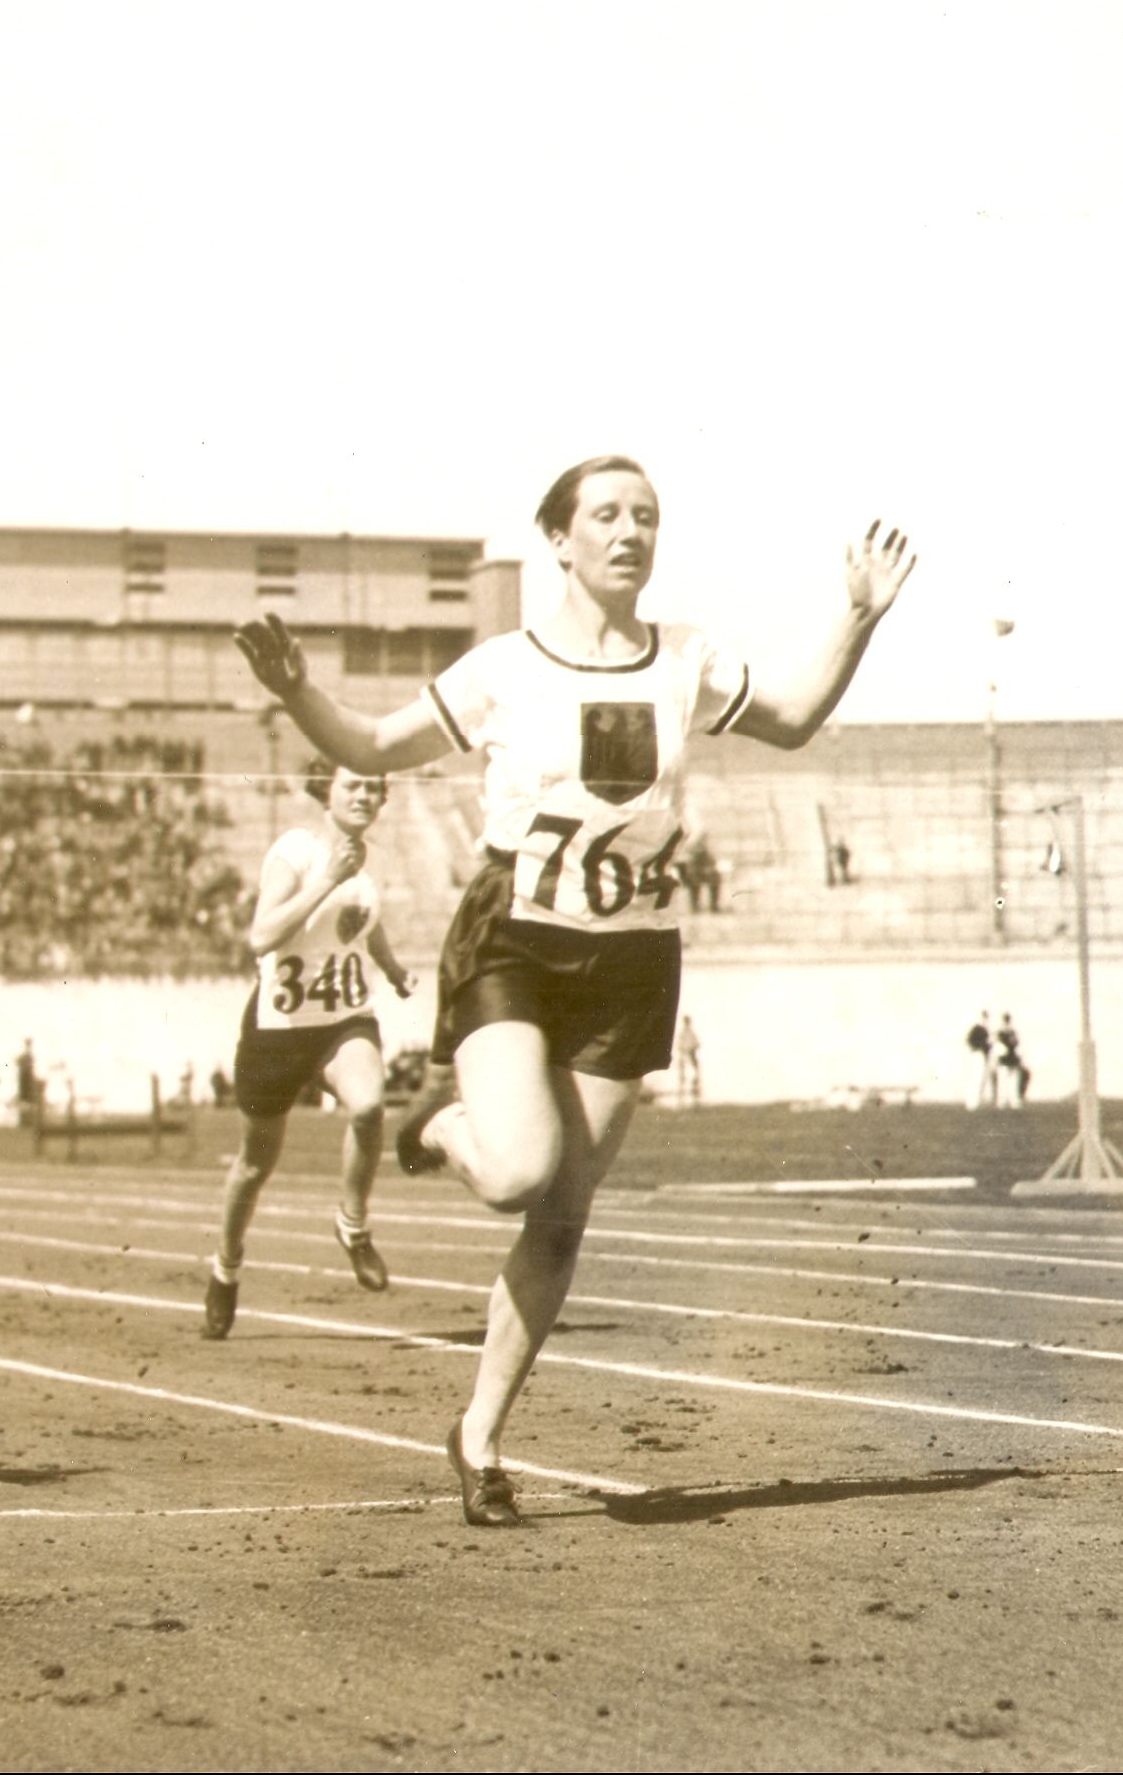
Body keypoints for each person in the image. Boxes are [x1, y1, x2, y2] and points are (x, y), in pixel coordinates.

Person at [234, 454, 912, 1525]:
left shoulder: (684, 659)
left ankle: (478, 1438)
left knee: (559, 1219)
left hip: (631, 958)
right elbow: (371, 743)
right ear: (559, 538)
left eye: (647, 516)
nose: (630, 532)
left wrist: (858, 617)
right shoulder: (503, 667)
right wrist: (297, 692)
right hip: (515, 943)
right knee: (517, 1172)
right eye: (606, 515)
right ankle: (441, 1126)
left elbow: (791, 720)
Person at [201, 761, 417, 1338]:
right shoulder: (295, 851)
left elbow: (364, 922)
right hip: (279, 1028)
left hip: (342, 1020)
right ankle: (225, 1267)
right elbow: (262, 935)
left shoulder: (372, 861)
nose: (365, 795)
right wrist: (327, 879)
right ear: (327, 790)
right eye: (353, 785)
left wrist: (393, 969)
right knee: (255, 1165)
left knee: (369, 1107)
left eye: (374, 787)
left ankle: (353, 1225)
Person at [994, 1013, 1029, 1107]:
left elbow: (1017, 1045)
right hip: (1004, 1060)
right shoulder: (1000, 1033)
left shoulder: (1013, 1032)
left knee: (1014, 1081)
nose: (1007, 1023)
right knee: (1003, 1080)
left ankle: (1014, 1100)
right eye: (1006, 1020)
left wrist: (1020, 1058)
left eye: (1008, 1020)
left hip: (1012, 1059)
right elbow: (997, 1047)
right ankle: (1002, 1101)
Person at [963, 1011, 994, 1111]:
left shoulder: (984, 1030)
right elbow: (969, 1040)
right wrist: (980, 1046)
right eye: (984, 1018)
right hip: (977, 1055)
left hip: (981, 1055)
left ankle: (974, 1102)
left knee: (979, 1079)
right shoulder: (978, 1029)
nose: (986, 1020)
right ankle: (972, 1102)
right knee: (976, 1079)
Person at [674, 1015, 703, 1109]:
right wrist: (685, 1050)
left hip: (691, 1056)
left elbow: (697, 1044)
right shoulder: (682, 1033)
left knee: (694, 1078)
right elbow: (679, 1045)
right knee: (683, 1079)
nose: (686, 1023)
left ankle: (695, 1102)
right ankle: (681, 1102)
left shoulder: (691, 1033)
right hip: (684, 1058)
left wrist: (691, 1049)